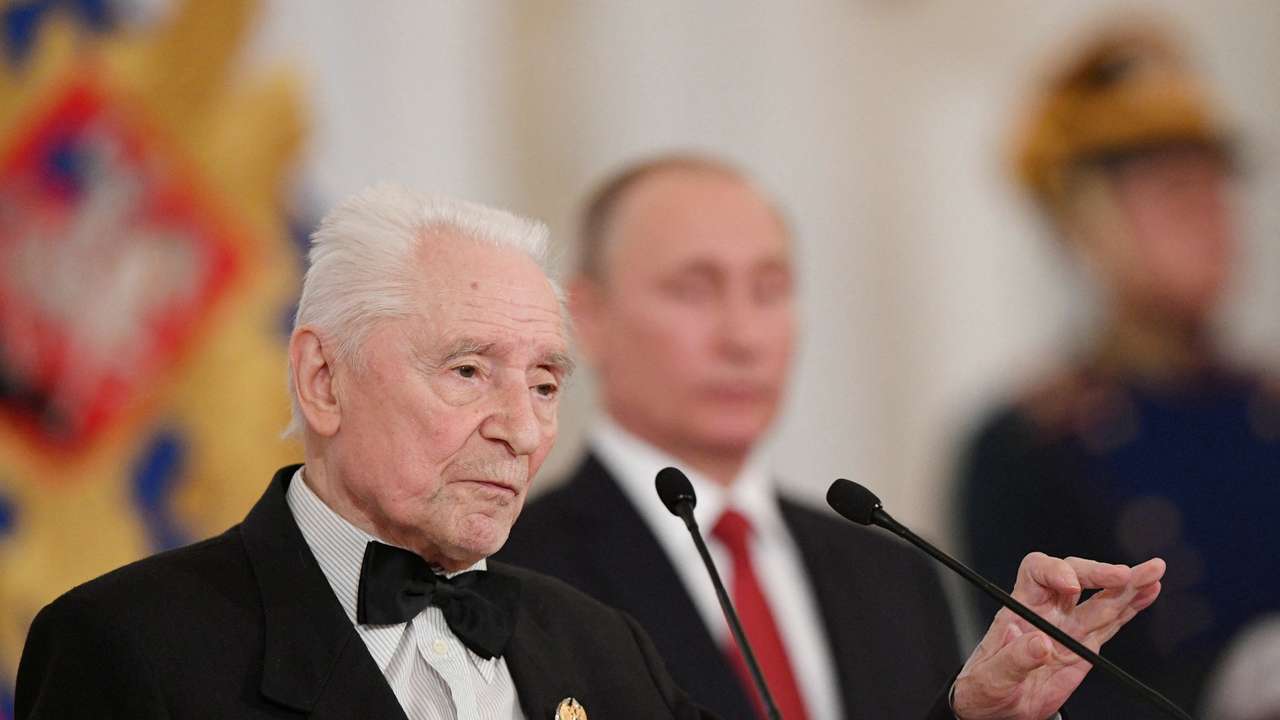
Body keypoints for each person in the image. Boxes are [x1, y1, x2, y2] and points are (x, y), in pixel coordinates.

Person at [16, 183, 1162, 720]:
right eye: (467, 371)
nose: (520, 427)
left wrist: (975, 713)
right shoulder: (132, 649)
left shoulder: (596, 649)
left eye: (545, 382)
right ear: (321, 379)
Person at [496, 155, 1162, 720]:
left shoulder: (891, 571)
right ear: (588, 317)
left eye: (770, 290)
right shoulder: (513, 568)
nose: (743, 336)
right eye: (694, 290)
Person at [956, 23, 1280, 718]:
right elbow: (1032, 691)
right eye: (1173, 191)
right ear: (1088, 223)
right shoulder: (1028, 446)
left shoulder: (1267, 408)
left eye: (1215, 187)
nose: (1210, 216)